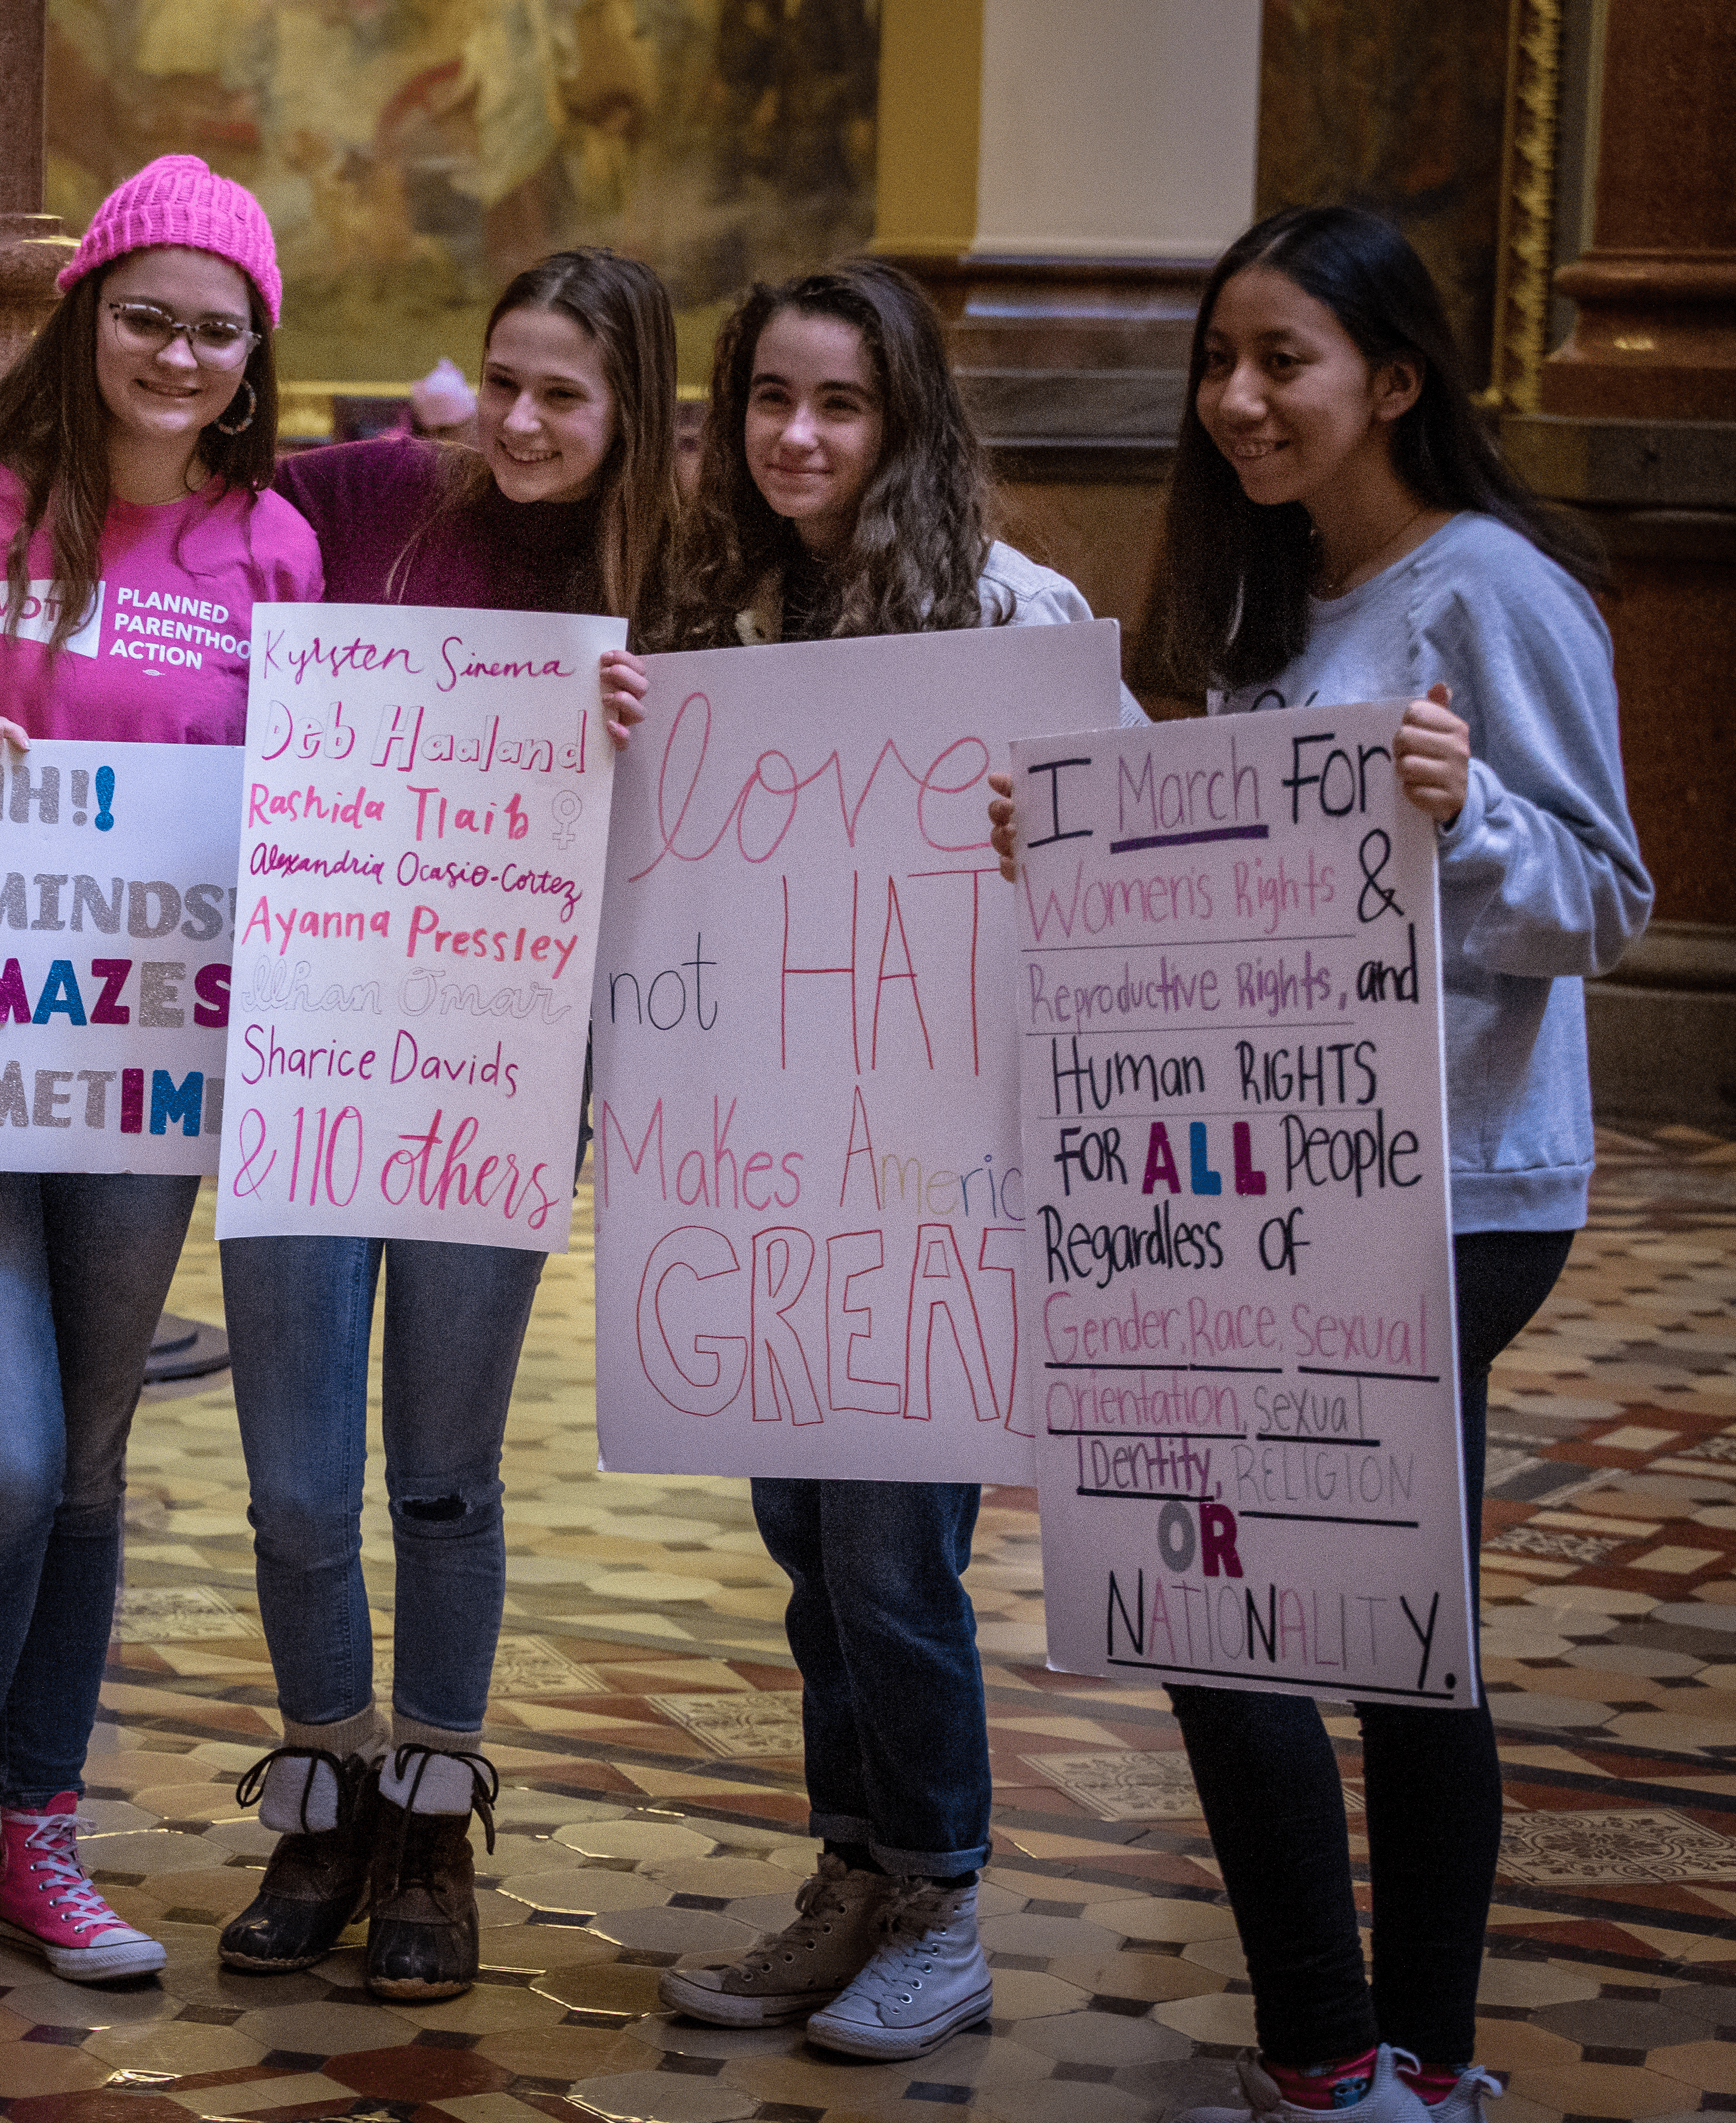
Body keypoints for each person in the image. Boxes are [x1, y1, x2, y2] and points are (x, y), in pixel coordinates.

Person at [0, 243, 661, 2005]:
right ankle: (323, 1805)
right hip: (298, 1060)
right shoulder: (376, 494)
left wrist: (651, 742)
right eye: (508, 380)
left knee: (444, 1486)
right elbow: (150, 451)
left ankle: (434, 1835)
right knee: (299, 1492)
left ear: (630, 416)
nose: (527, 422)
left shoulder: (669, 578)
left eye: (569, 395)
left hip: (501, 1068)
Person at [995, 204, 1650, 2123]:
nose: (1240, 402)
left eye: (1285, 361)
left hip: (1449, 1197)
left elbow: (1604, 899)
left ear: (1399, 379)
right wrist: (1082, 839)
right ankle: (1374, 2063)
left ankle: (1386, 2068)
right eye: (1220, 364)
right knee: (1295, 1616)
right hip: (1277, 1188)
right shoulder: (1282, 597)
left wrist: (1466, 821)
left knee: (1353, 1628)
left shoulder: (1489, 589)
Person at [650, 257, 1136, 2064]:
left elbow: (1143, 844)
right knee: (802, 1540)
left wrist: (1055, 829)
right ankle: (852, 1874)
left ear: (907, 421)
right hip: (765, 1157)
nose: (797, 437)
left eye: (841, 405)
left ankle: (942, 1901)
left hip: (947, 1170)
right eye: (770, 399)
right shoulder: (722, 604)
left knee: (893, 1559)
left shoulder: (1015, 610)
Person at [0, 155, 322, 1988]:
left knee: (97, 1468)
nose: (180, 355)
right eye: (148, 317)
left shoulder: (269, 545)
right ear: (89, 313)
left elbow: (308, 794)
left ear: (256, 349)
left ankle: (44, 1837)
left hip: (141, 1062)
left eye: (219, 330)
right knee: (3, 1458)